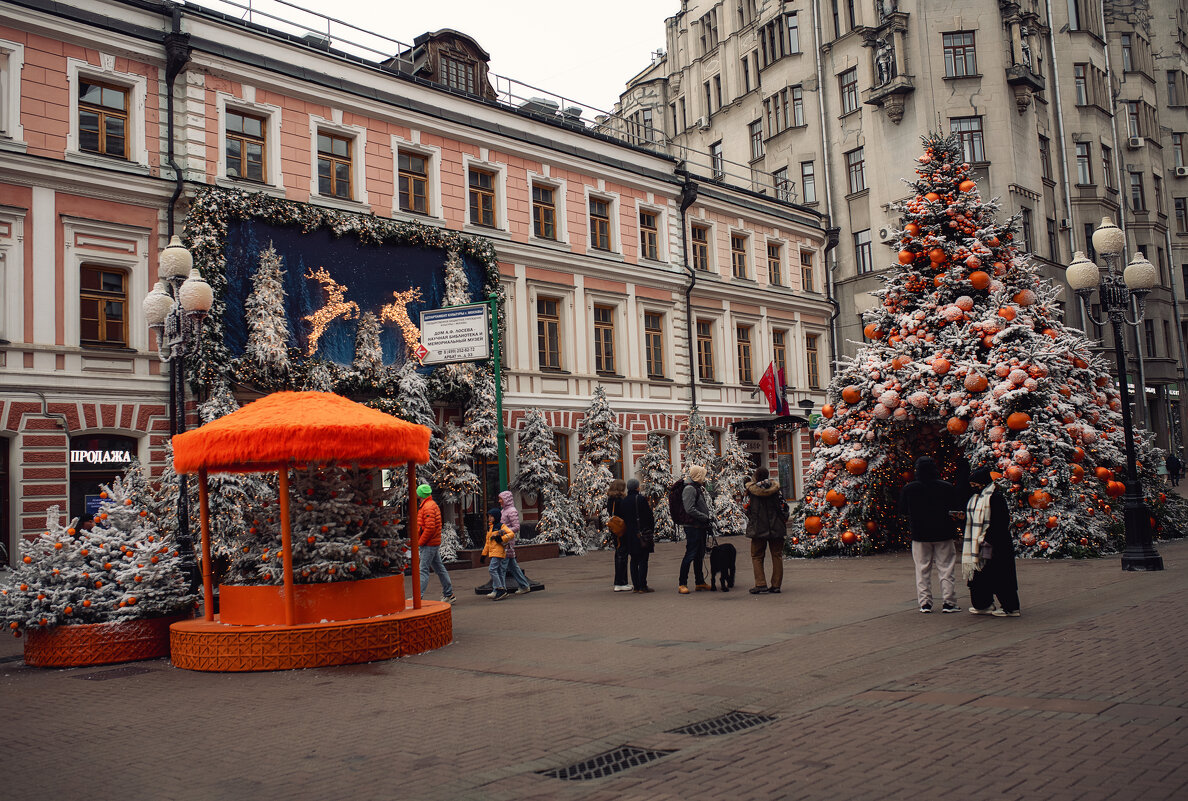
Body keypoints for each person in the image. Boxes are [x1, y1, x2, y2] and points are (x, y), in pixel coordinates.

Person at [898, 456, 960, 613]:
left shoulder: (909, 488)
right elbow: (955, 507)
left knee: (922, 568)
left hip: (920, 534)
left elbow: (903, 510)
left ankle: (925, 603)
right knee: (946, 567)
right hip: (943, 532)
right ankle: (949, 602)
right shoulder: (946, 487)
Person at [962, 467, 1020, 617]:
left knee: (1000, 575)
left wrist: (986, 538)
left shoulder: (995, 497)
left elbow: (1000, 522)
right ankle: (983, 604)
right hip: (981, 543)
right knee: (980, 575)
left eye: (976, 484)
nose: (973, 487)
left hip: (995, 544)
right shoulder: (976, 498)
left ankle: (1010, 607)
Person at [744, 467, 786, 594]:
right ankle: (776, 585)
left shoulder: (751, 492)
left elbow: (746, 509)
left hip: (758, 528)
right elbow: (784, 507)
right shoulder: (776, 490)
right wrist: (782, 519)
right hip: (776, 527)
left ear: (756, 477)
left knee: (756, 556)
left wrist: (753, 519)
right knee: (777, 555)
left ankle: (760, 583)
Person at [415, 483, 454, 604]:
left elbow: (429, 528)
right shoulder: (430, 505)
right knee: (439, 568)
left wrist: (420, 542)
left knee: (423, 570)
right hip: (432, 543)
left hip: (428, 544)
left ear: (420, 494)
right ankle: (449, 593)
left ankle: (418, 597)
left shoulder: (427, 507)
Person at [678, 464, 713, 594]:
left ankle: (700, 582)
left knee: (699, 555)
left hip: (699, 526)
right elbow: (689, 509)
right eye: (703, 475)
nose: (704, 477)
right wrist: (704, 517)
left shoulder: (696, 487)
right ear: (698, 476)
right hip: (693, 527)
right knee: (690, 554)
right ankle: (682, 583)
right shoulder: (690, 489)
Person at [622, 478, 656, 593]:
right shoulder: (641, 499)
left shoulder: (624, 500)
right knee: (643, 560)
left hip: (629, 534)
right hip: (641, 533)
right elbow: (649, 516)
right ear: (637, 487)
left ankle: (636, 586)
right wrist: (650, 530)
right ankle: (643, 586)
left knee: (633, 560)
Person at [497, 491, 532, 595]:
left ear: (506, 499)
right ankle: (524, 585)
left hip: (507, 541)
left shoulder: (511, 511)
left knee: (502, 566)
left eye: (501, 499)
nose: (499, 501)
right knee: (512, 566)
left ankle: (501, 589)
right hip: (505, 540)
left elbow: (516, 527)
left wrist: (503, 531)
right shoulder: (504, 510)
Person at [482, 508, 514, 601]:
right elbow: (488, 543)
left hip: (499, 551)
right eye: (489, 516)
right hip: (493, 552)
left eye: (491, 516)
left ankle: (500, 589)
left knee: (492, 569)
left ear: (496, 517)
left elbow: (511, 534)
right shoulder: (490, 528)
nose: (489, 518)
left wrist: (502, 539)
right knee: (499, 571)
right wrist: (483, 554)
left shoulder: (501, 526)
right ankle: (499, 590)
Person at [606, 478, 633, 591]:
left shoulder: (610, 499)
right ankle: (621, 582)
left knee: (618, 554)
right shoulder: (621, 500)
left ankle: (620, 582)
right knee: (622, 554)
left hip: (614, 529)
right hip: (622, 529)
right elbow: (626, 514)